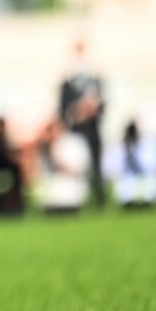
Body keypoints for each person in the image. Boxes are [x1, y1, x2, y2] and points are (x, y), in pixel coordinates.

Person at [58, 39, 107, 209]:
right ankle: (76, 199)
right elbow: (62, 110)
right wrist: (78, 112)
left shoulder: (95, 79)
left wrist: (92, 109)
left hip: (92, 130)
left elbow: (103, 105)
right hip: (76, 132)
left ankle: (100, 197)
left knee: (96, 165)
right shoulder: (67, 82)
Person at [108, 120, 156, 209]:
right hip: (128, 174)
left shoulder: (146, 144)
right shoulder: (121, 146)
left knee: (151, 181)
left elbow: (152, 162)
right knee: (125, 183)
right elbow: (115, 164)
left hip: (144, 173)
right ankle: (128, 202)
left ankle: (148, 202)